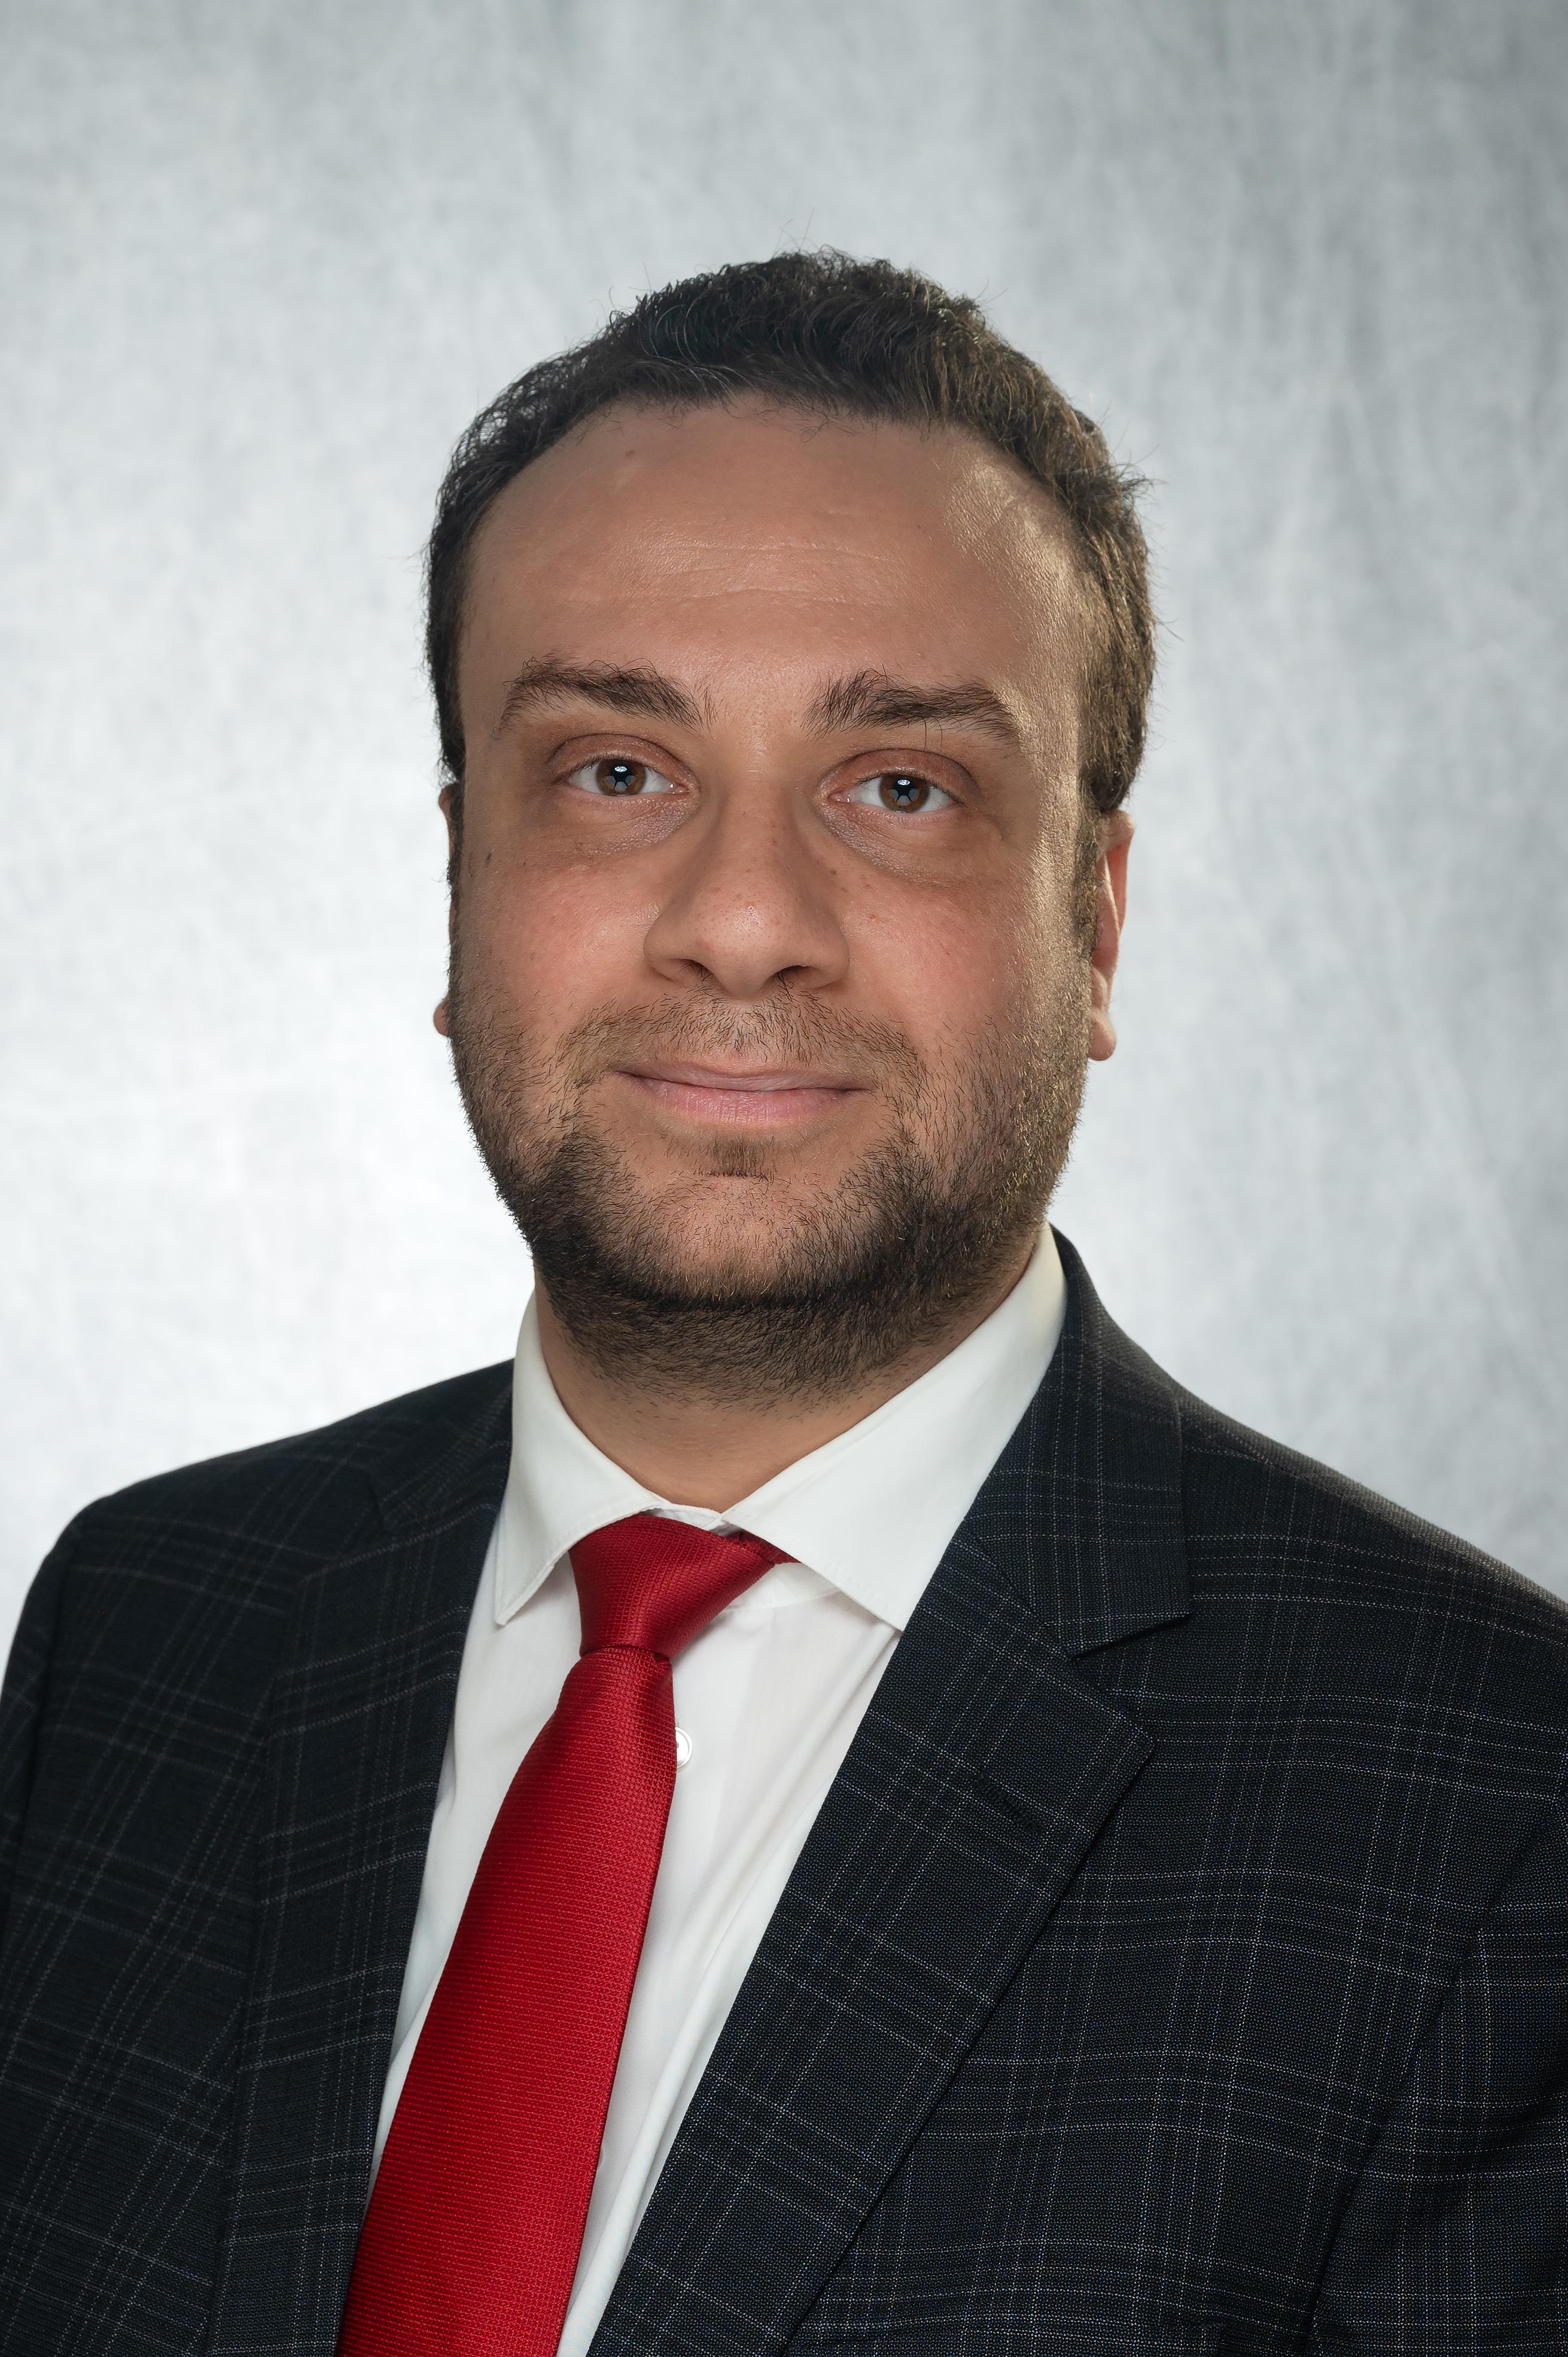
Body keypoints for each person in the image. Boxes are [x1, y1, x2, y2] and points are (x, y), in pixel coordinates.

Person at [1, 251, 1564, 2357]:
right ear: (461, 880)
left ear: (1095, 924)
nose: (743, 921)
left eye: (900, 785)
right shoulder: (142, 1631)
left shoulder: (1494, 1816)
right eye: (615, 770)